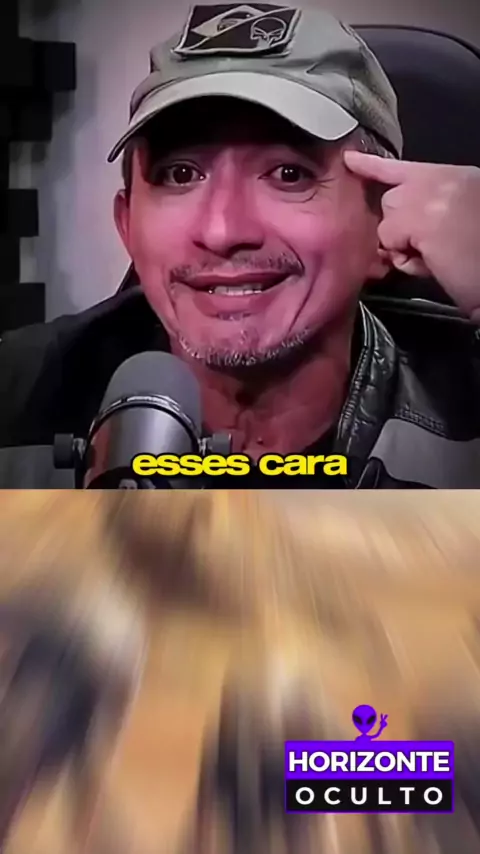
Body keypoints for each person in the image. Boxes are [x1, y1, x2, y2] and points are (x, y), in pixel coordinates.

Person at [0, 3, 479, 489]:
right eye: (180, 174)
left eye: (289, 174)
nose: (222, 231)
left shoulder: (466, 411)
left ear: (383, 225)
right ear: (127, 227)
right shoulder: (16, 400)